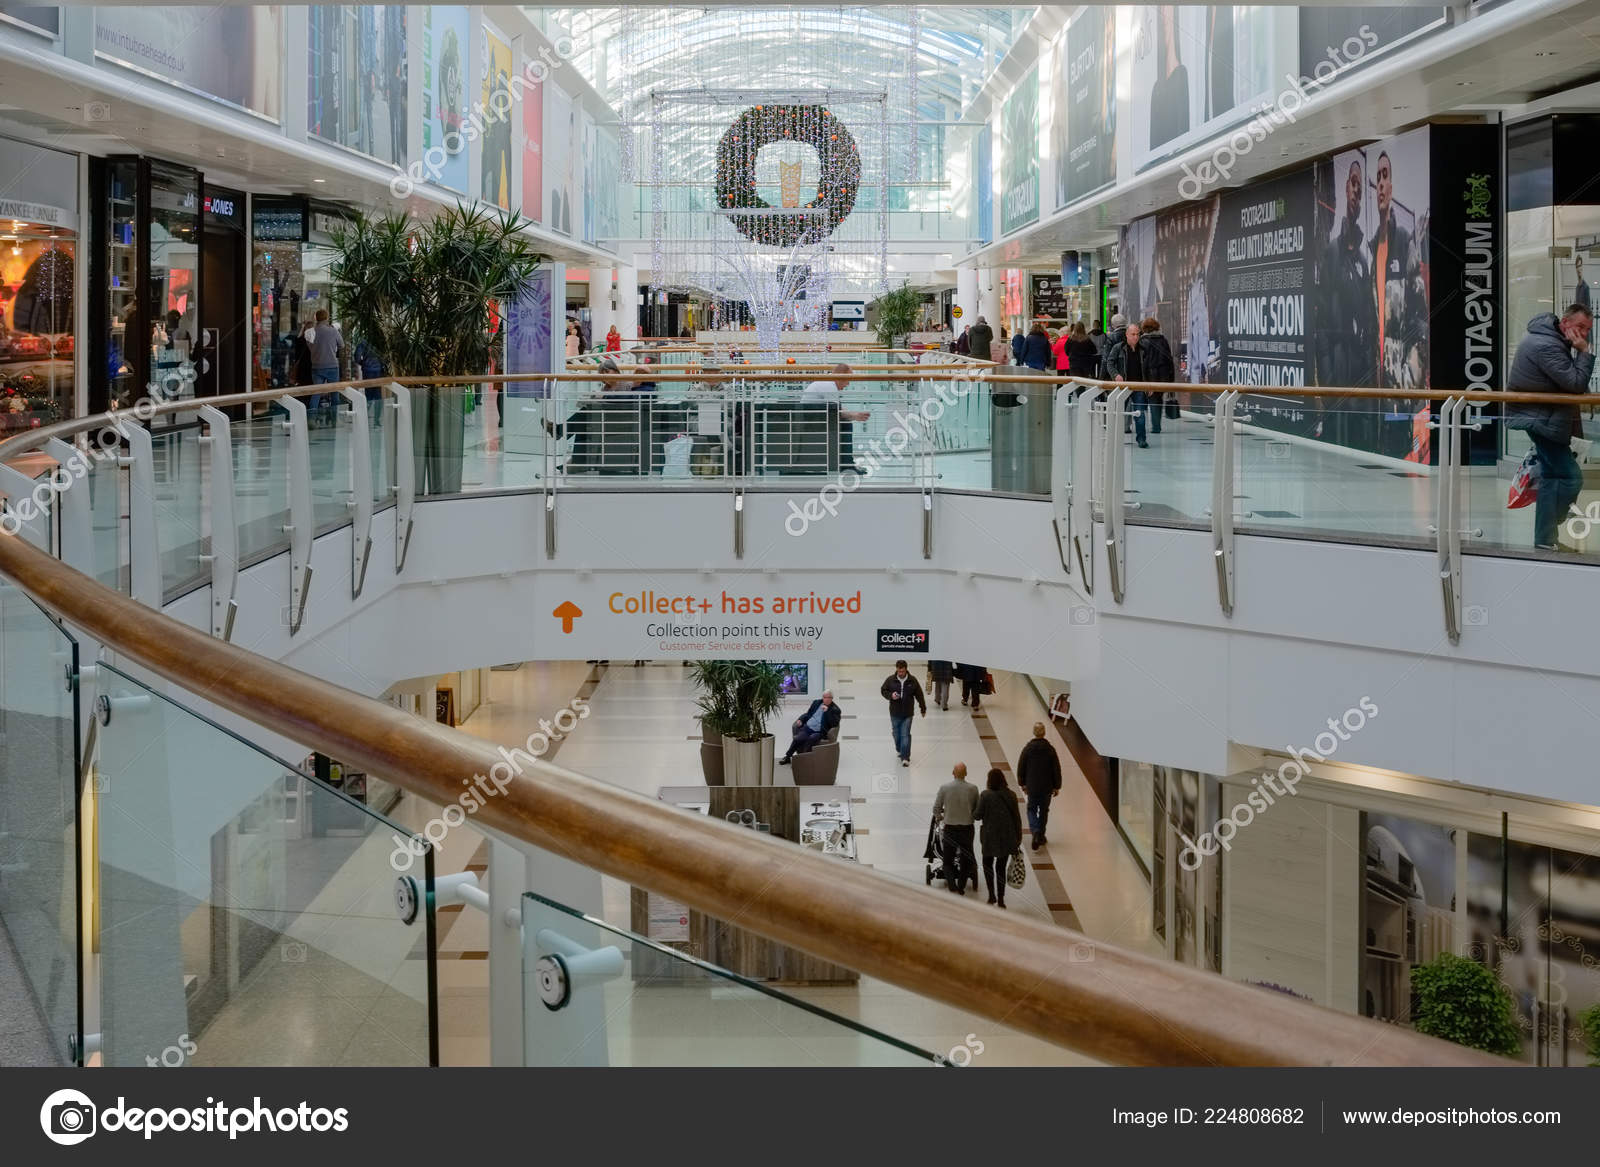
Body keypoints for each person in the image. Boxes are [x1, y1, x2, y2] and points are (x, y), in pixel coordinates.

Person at [1507, 306, 1595, 550]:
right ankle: (1553, 524)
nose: (1583, 335)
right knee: (1570, 477)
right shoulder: (1547, 345)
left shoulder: (1550, 339)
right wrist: (1585, 352)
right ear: (1565, 322)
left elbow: (1563, 382)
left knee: (1552, 476)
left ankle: (1546, 540)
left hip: (1545, 417)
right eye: (1580, 328)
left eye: (1587, 330)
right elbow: (1575, 383)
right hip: (1541, 419)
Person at [802, 362, 871, 471]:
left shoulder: (828, 382)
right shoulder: (829, 386)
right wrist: (854, 416)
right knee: (846, 425)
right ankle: (847, 465)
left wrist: (854, 415)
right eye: (848, 380)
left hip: (814, 419)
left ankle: (846, 464)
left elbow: (837, 409)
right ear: (841, 377)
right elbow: (837, 412)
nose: (848, 384)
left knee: (845, 421)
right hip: (812, 422)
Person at [973, 768, 1022, 907]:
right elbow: (1017, 819)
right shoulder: (1011, 795)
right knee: (1000, 867)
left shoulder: (985, 795)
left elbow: (977, 816)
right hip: (1006, 837)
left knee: (987, 865)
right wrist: (1018, 838)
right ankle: (1001, 898)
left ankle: (991, 896)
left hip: (989, 836)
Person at [932, 762, 979, 896]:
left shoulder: (944, 788)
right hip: (967, 829)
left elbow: (936, 809)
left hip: (950, 829)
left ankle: (952, 886)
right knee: (966, 859)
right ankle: (961, 886)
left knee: (947, 860)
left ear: (953, 773)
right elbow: (977, 811)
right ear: (966, 773)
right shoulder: (973, 789)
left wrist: (941, 817)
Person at [1016, 722, 1063, 850]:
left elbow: (1021, 767)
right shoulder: (1050, 750)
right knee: (1044, 811)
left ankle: (1035, 831)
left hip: (1032, 786)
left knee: (1031, 809)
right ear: (1044, 733)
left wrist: (1022, 783)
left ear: (1034, 732)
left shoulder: (1028, 749)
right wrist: (1057, 786)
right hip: (1046, 787)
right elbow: (1056, 769)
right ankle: (1040, 835)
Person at [1105, 322, 1151, 447]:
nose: (1136, 337)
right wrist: (1115, 375)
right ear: (1126, 335)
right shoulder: (1118, 348)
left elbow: (1149, 368)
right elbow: (1109, 363)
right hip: (1122, 387)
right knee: (1117, 414)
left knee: (1140, 414)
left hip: (1139, 387)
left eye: (1137, 334)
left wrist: (1150, 384)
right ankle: (1113, 439)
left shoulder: (1144, 349)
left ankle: (1141, 439)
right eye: (1133, 334)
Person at [880, 659, 926, 767]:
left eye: (903, 671)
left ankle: (905, 757)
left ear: (906, 669)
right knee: (896, 734)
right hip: (894, 713)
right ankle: (899, 749)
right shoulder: (890, 680)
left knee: (905, 734)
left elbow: (919, 695)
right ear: (896, 669)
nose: (901, 673)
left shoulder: (912, 680)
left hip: (908, 713)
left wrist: (923, 708)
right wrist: (891, 695)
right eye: (899, 671)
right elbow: (883, 690)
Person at [780, 690, 842, 764]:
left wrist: (827, 712)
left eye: (828, 697)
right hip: (808, 727)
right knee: (797, 739)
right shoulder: (817, 703)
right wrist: (801, 719)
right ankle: (787, 757)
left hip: (819, 731)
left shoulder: (835, 709)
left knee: (811, 739)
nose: (826, 699)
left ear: (832, 698)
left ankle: (803, 759)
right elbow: (808, 714)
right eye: (824, 697)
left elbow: (834, 724)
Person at [304, 310, 343, 426]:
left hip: (317, 366)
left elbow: (309, 345)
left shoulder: (311, 332)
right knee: (334, 393)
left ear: (316, 318)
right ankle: (334, 419)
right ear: (327, 318)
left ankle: (311, 419)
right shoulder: (333, 331)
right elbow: (342, 344)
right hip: (332, 366)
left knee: (316, 393)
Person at [1139, 316, 1176, 435]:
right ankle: (1157, 424)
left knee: (1153, 400)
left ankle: (1156, 427)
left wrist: (1144, 380)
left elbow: (1143, 362)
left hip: (1151, 375)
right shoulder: (1163, 340)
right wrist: (1171, 379)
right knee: (1158, 398)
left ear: (1144, 328)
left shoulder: (1143, 341)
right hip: (1164, 375)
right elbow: (1169, 359)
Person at [1098, 312, 1128, 380]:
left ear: (1113, 325)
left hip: (1114, 373)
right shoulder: (1130, 335)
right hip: (1130, 372)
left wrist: (1101, 377)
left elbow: (1105, 359)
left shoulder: (1111, 337)